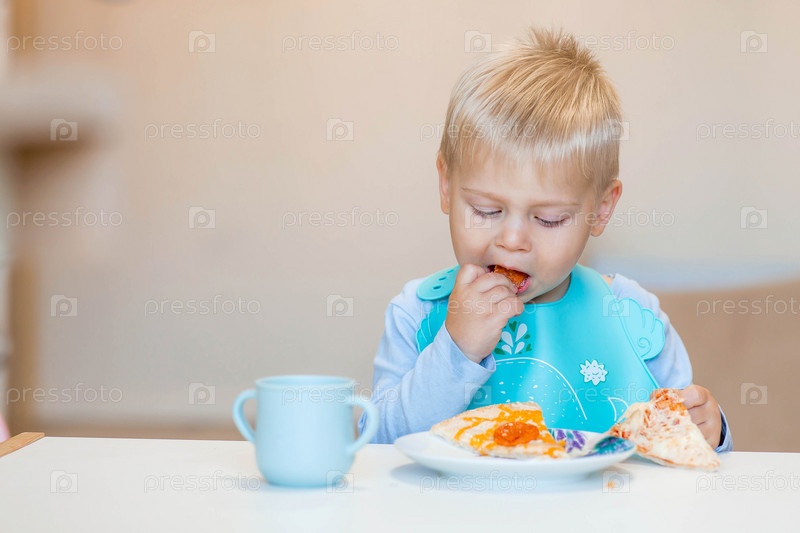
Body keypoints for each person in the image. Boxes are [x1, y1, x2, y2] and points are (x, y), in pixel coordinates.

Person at [359, 27, 731, 452]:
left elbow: (682, 450)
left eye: (548, 219)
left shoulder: (630, 315)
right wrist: (455, 350)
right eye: (486, 210)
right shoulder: (417, 312)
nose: (512, 240)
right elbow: (381, 446)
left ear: (601, 209)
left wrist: (710, 431)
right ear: (446, 186)